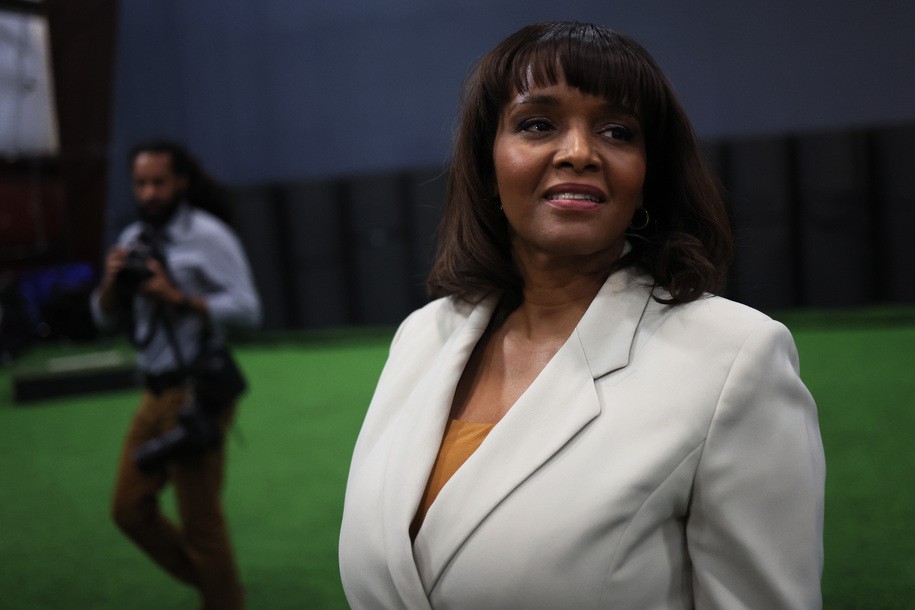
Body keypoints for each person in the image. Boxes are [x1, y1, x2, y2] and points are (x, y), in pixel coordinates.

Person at [339, 21, 824, 609]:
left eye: (618, 132)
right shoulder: (423, 336)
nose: (578, 152)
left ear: (647, 177)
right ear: (488, 162)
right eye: (537, 124)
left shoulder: (734, 357)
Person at [92, 139, 261, 609]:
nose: (147, 193)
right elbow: (103, 319)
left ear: (180, 182)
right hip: (152, 394)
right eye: (140, 183)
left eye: (158, 182)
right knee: (127, 510)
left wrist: (180, 297)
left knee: (201, 525)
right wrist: (111, 283)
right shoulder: (131, 241)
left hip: (198, 395)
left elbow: (249, 309)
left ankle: (222, 597)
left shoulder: (210, 237)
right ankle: (219, 587)